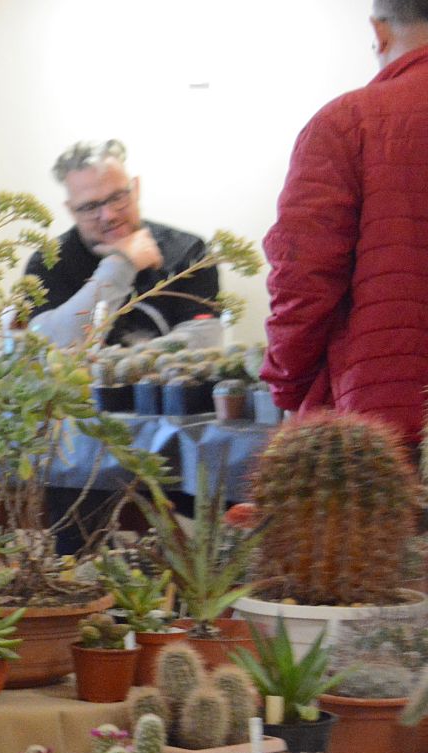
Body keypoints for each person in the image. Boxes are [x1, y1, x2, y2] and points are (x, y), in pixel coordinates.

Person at [261, 1, 428, 446]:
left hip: (386, 424)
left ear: (380, 32)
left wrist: (288, 384)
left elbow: (303, 280)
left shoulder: (347, 124)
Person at [25, 140, 219, 348]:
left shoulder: (187, 251)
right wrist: (121, 264)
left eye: (117, 197)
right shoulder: (48, 262)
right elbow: (46, 346)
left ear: (136, 189)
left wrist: (116, 361)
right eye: (90, 207)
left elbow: (203, 344)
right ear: (71, 210)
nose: (108, 215)